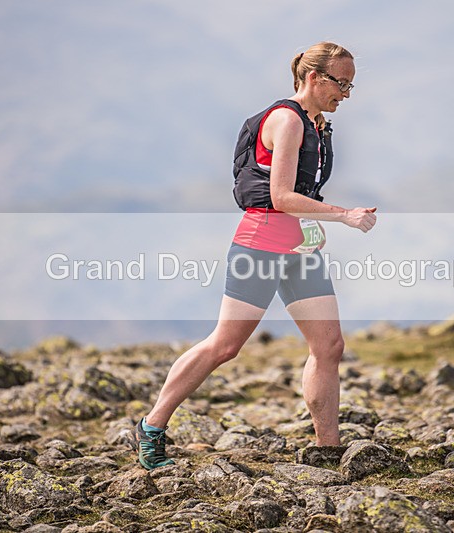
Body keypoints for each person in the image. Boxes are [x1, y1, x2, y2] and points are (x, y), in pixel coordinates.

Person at [135, 41, 377, 470]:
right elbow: (280, 197)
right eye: (342, 83)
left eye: (352, 85)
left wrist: (315, 222)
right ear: (314, 77)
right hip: (261, 244)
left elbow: (300, 196)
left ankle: (328, 452)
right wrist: (344, 215)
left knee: (329, 346)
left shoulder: (318, 124)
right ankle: (152, 427)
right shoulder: (287, 120)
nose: (347, 93)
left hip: (300, 249)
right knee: (225, 345)